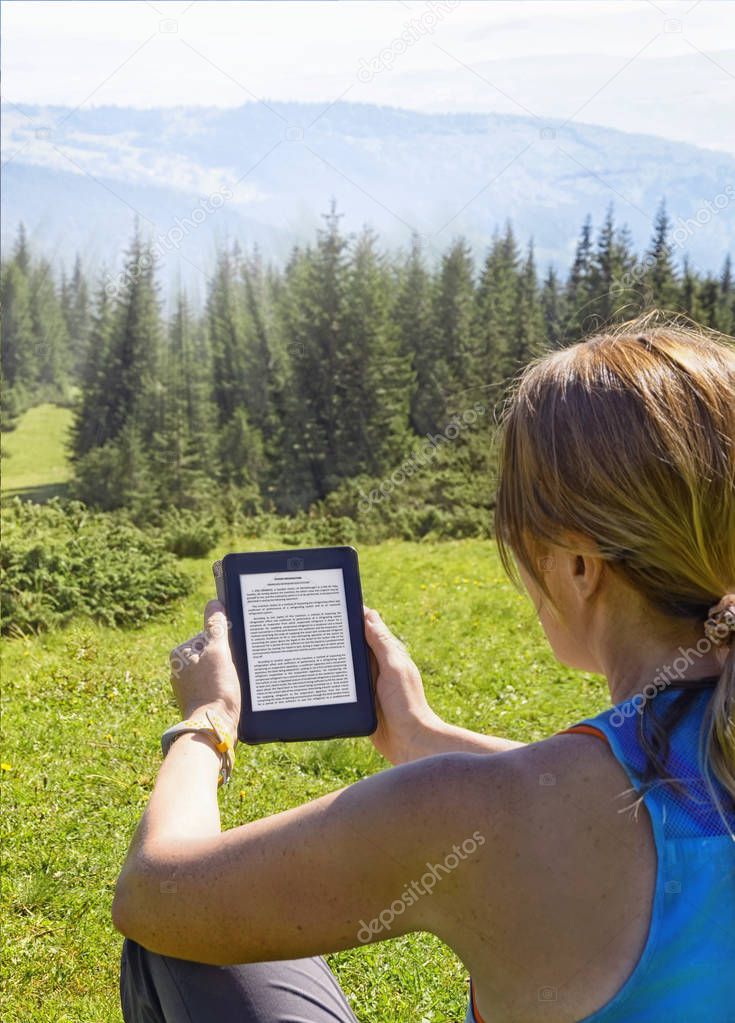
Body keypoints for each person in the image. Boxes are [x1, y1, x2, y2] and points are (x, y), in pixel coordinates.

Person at [112, 316, 735, 1023]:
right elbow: (637, 796)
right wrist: (418, 732)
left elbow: (151, 889)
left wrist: (207, 720)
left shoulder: (470, 811)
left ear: (578, 564)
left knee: (178, 938)